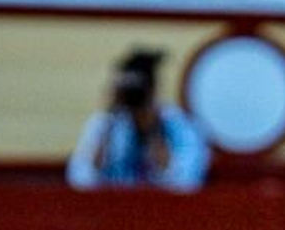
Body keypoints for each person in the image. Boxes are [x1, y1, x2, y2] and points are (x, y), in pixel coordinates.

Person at [66, 47, 210, 188]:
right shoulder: (104, 122)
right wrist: (109, 121)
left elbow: (186, 182)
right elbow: (81, 179)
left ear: (153, 90)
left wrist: (153, 128)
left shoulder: (178, 124)